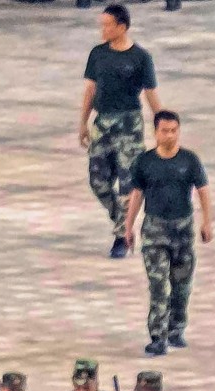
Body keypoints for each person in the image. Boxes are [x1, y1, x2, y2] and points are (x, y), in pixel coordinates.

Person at [124, 110, 214, 356]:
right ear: (155, 132)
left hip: (183, 231)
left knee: (181, 286)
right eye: (165, 130)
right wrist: (128, 225)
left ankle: (176, 329)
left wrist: (207, 222)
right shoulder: (145, 162)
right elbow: (137, 195)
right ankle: (158, 336)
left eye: (174, 130)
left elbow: (203, 190)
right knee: (158, 286)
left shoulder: (189, 161)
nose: (170, 135)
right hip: (155, 231)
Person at [79, 4, 161, 258]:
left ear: (122, 27)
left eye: (107, 25)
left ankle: (121, 238)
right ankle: (123, 223)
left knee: (128, 185)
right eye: (101, 25)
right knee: (98, 181)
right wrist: (83, 122)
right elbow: (90, 90)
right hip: (103, 123)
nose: (102, 30)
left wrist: (163, 125)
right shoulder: (97, 54)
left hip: (129, 125)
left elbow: (151, 95)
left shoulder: (140, 58)